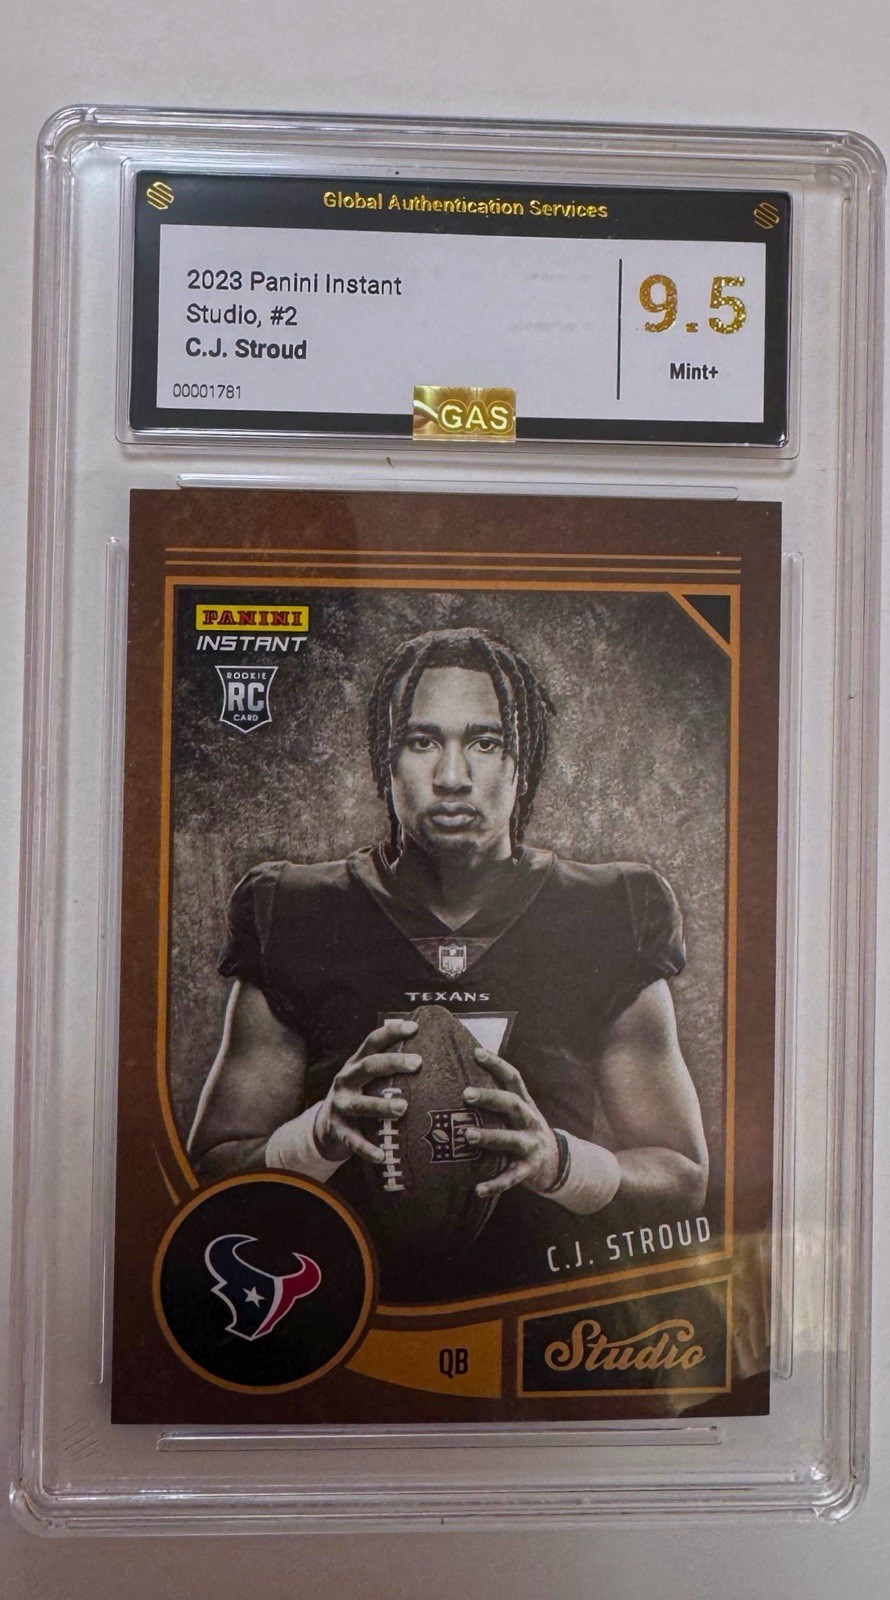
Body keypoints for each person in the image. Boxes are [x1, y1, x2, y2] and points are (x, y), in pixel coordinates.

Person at [188, 626, 708, 1297]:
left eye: (485, 743)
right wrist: (315, 1138)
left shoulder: (610, 911)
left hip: (538, 1315)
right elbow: (215, 1168)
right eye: (422, 741)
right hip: (345, 1308)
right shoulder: (292, 910)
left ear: (524, 760)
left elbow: (681, 1177)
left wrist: (559, 1163)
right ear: (386, 760)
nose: (452, 777)